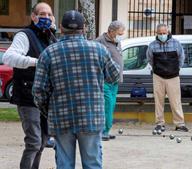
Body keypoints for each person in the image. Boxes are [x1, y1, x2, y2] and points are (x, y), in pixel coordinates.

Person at [32, 10, 119, 169]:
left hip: (61, 118)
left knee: (64, 164)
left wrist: (50, 111)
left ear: (60, 27)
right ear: (84, 28)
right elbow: (114, 77)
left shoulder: (48, 53)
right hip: (92, 116)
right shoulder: (99, 50)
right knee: (92, 164)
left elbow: (38, 91)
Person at [2, 2, 56, 169]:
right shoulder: (24, 35)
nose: (46, 17)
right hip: (28, 96)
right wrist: (36, 62)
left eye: (49, 14)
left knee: (42, 142)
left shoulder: (51, 37)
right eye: (42, 14)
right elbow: (9, 58)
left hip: (45, 98)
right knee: (34, 142)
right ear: (33, 17)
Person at [146, 23, 189, 132]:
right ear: (157, 33)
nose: (162, 35)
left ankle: (179, 124)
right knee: (158, 101)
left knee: (176, 101)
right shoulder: (152, 45)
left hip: (173, 76)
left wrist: (176, 69)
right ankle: (160, 123)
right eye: (160, 33)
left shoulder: (176, 43)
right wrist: (157, 69)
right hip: (158, 76)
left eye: (164, 33)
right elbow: (150, 59)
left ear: (168, 32)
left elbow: (181, 58)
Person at [95, 21, 125, 141]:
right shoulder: (99, 41)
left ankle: (106, 130)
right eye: (118, 33)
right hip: (105, 80)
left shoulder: (117, 42)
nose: (119, 36)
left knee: (111, 106)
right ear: (111, 31)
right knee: (106, 105)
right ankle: (102, 131)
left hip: (115, 80)